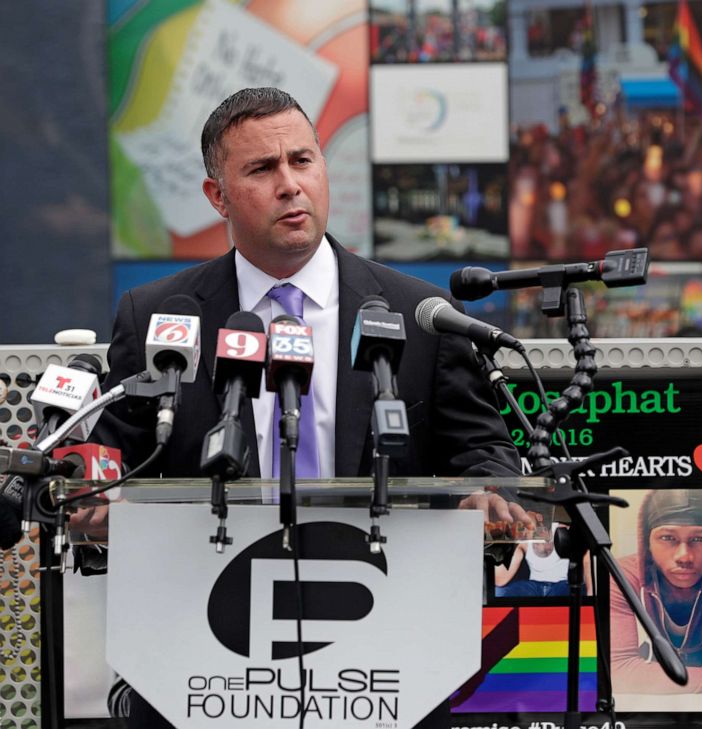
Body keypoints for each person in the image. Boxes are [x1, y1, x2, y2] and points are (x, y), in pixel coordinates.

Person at [89, 87, 527, 729]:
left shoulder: (417, 314)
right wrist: (98, 501)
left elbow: (483, 450)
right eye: (263, 169)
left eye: (303, 160)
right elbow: (110, 458)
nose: (291, 185)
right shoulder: (159, 315)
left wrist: (490, 492)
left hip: (382, 650)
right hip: (205, 647)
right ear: (218, 197)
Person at [610, 489, 702, 711]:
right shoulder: (621, 576)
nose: (684, 556)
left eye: (700, 538)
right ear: (647, 541)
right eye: (667, 538)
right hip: (659, 663)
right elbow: (617, 669)